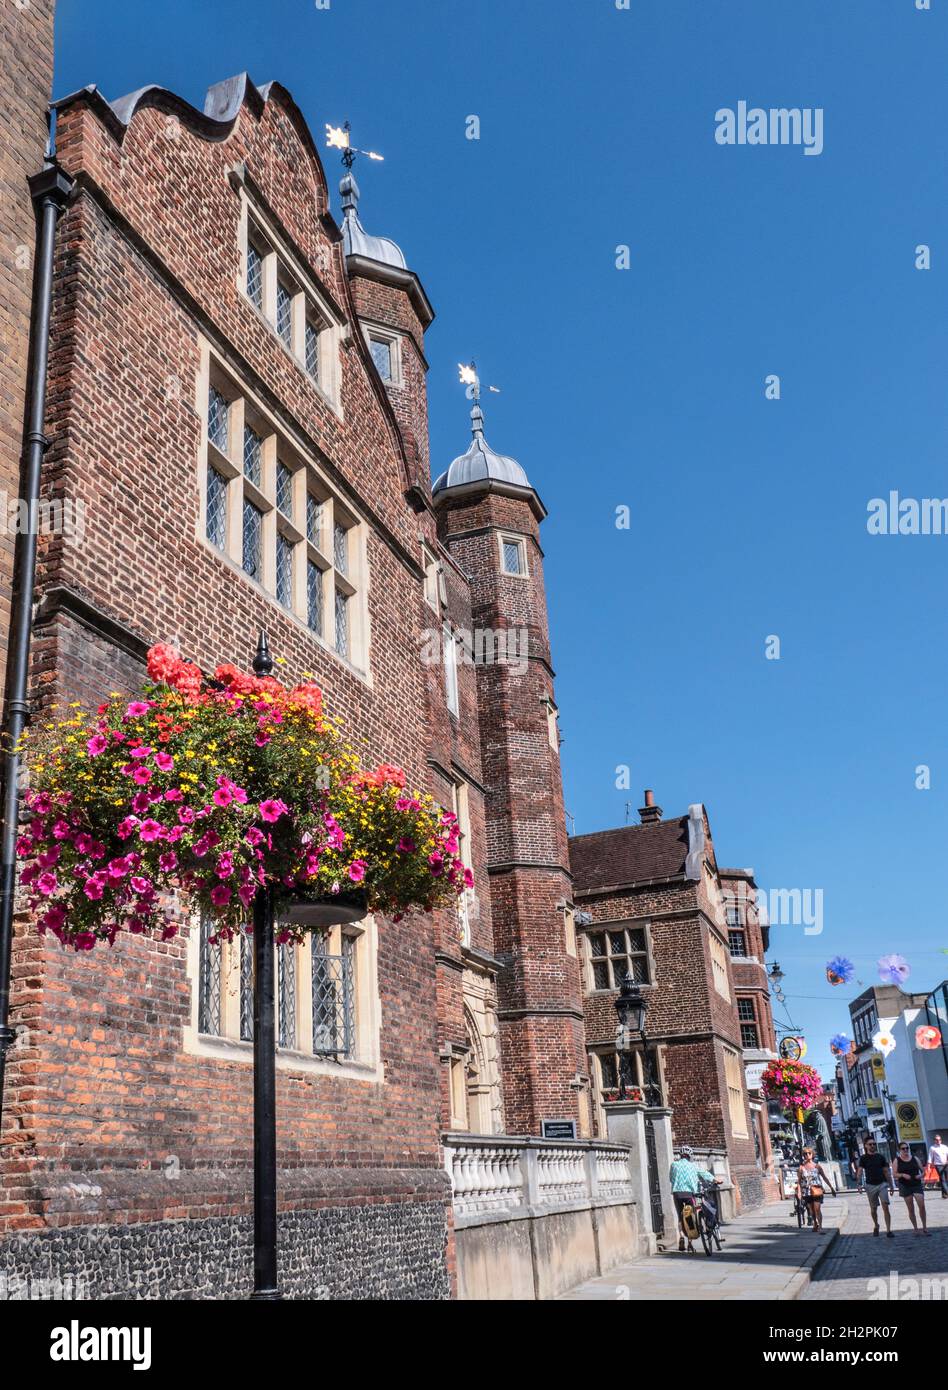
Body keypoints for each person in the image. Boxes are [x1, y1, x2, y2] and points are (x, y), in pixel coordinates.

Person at [668, 1146, 723, 1251]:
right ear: (690, 1156)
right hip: (689, 1194)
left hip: (677, 1194)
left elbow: (671, 1178)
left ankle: (681, 1237)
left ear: (680, 1155)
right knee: (690, 1216)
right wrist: (715, 1179)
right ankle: (689, 1241)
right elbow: (705, 1174)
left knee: (680, 1216)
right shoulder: (693, 1166)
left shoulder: (674, 1165)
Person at [856, 1138, 895, 1237]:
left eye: (874, 1144)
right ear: (866, 1146)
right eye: (870, 1144)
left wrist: (891, 1185)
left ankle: (888, 1230)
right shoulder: (863, 1158)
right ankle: (876, 1225)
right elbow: (860, 1171)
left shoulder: (880, 1157)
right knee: (873, 1209)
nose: (872, 1146)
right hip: (870, 1186)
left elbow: (886, 1171)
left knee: (885, 1206)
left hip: (882, 1184)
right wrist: (859, 1184)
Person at [796, 1147, 837, 1233]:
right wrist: (799, 1192)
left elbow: (824, 1177)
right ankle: (815, 1223)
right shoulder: (801, 1168)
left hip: (817, 1190)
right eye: (805, 1154)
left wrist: (831, 1188)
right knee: (811, 1210)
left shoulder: (817, 1166)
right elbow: (799, 1181)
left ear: (812, 1154)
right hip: (807, 1192)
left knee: (817, 1208)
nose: (807, 1155)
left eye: (809, 1153)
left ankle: (821, 1227)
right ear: (803, 1156)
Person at [895, 1142, 930, 1236]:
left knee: (921, 1205)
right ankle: (915, 1228)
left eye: (907, 1148)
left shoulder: (915, 1158)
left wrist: (920, 1175)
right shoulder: (897, 1160)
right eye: (903, 1148)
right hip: (905, 1186)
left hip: (916, 1184)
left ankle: (925, 1227)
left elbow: (923, 1172)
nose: (906, 1150)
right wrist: (902, 1175)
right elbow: (894, 1174)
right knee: (911, 1209)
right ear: (899, 1150)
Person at [928, 1133, 948, 1199]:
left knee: (946, 1179)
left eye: (939, 1139)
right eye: (937, 1140)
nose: (938, 1141)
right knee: (943, 1179)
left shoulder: (945, 1147)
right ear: (935, 1140)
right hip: (938, 1165)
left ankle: (944, 1194)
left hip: (946, 1165)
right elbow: (930, 1157)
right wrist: (928, 1167)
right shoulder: (932, 1148)